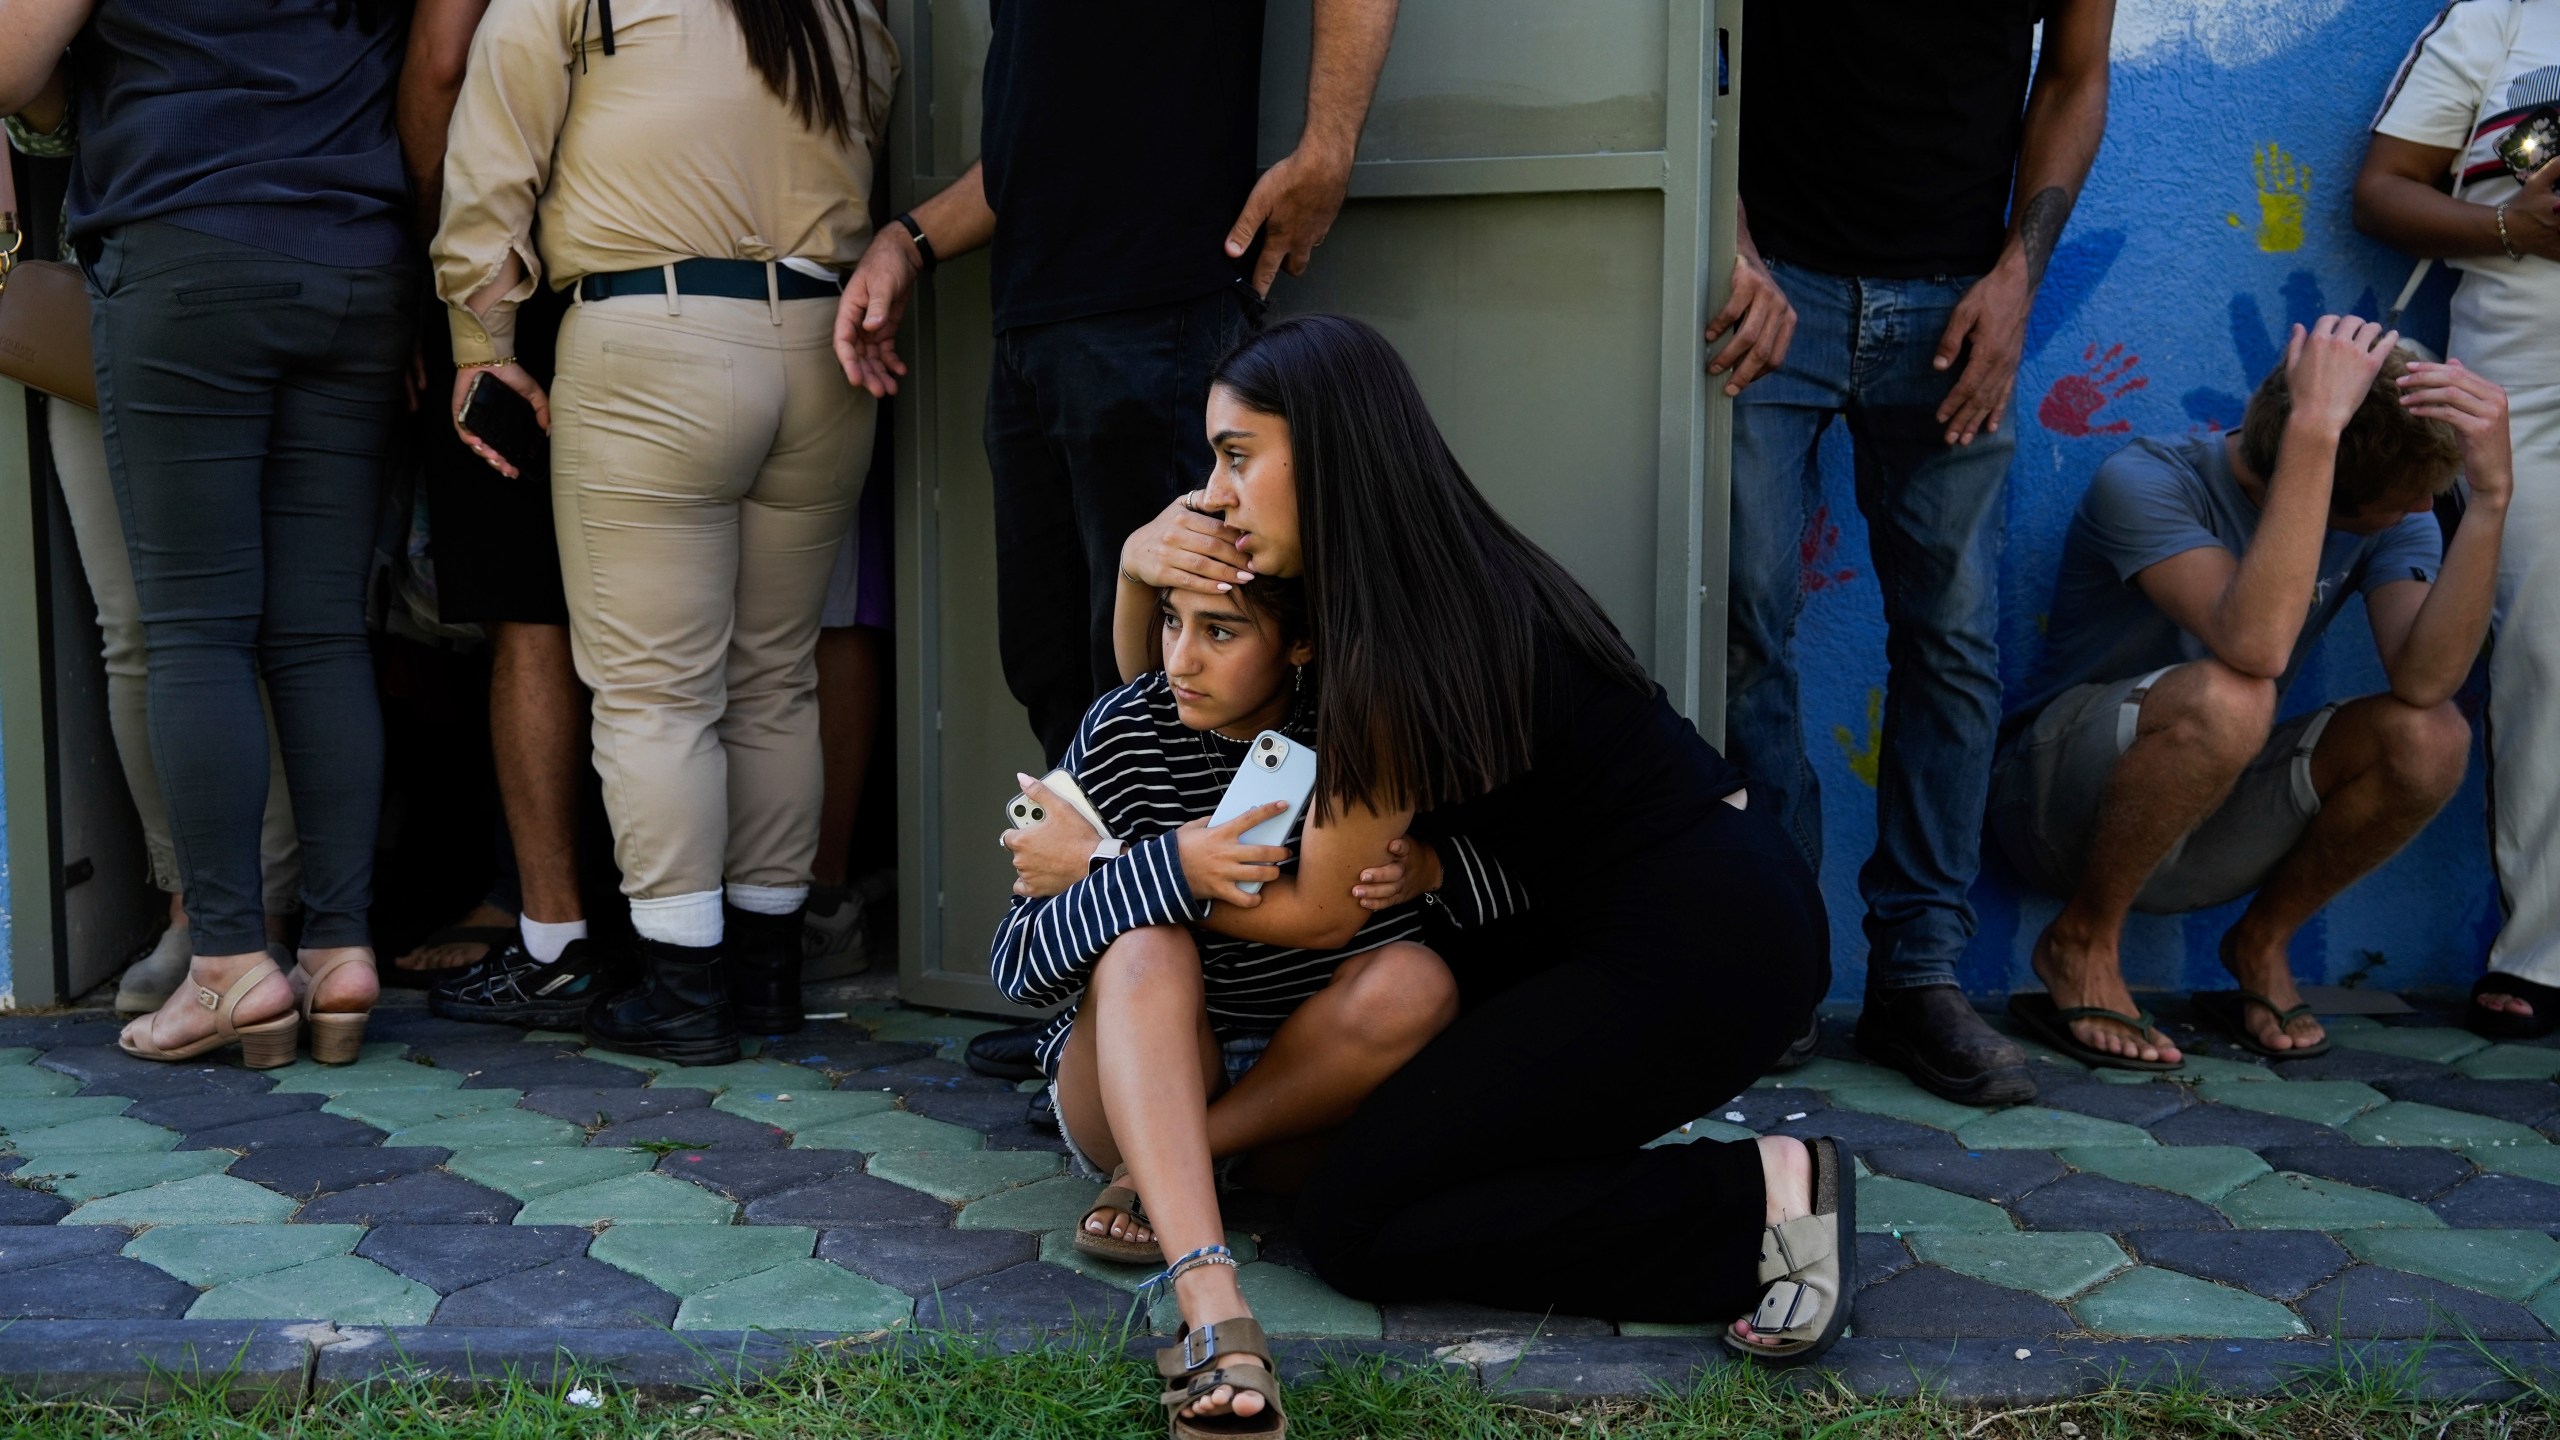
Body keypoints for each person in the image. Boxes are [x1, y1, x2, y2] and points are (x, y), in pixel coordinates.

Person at [1121, 316, 1844, 1374]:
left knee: (1352, 1224)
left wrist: (1118, 879)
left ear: (1327, 451)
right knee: (1366, 1142)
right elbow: (1155, 704)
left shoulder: (1398, 647)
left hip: (1703, 951)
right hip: (1613, 919)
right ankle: (1208, 1151)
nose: (1214, 493)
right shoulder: (1421, 580)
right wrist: (1142, 573)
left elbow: (1319, 911)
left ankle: (1764, 1194)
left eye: (1236, 457)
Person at [830, 0, 1401, 1086]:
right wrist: (906, 242)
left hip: (1157, 312)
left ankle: (1193, 1028)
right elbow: (1033, 157)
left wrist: (1327, 150)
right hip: (1033, 329)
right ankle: (1106, 997)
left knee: (1201, 680)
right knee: (1061, 673)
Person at [433, 0, 897, 1063]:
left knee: (655, 689)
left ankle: (682, 994)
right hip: (819, 349)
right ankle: (768, 979)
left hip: (653, 338)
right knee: (774, 675)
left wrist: (479, 339)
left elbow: (491, 155)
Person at [990, 577, 1523, 1416]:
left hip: (1300, 1102)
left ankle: (1176, 1161)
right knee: (1145, 948)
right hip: (1128, 1090)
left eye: (1222, 632)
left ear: (1300, 644)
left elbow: (1519, 895)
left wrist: (1436, 869)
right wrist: (1164, 869)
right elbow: (1019, 967)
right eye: (1171, 622)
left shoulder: (1366, 729)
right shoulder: (1126, 729)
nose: (1180, 659)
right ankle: (1207, 1289)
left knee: (1417, 982)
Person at [1712, 0, 2115, 1105]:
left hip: (1958, 300)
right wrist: (1721, 234)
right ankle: (1779, 959)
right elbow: (1678, 40)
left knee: (1951, 640)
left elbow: (2074, 76)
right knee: (1741, 627)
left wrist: (2016, 282)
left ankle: (1917, 979)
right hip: (1767, 290)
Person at [4, 0, 409, 1068]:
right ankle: (339, 949)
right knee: (323, 632)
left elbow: (8, 65)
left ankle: (228, 966)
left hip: (188, 254)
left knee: (196, 631)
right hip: (360, 263)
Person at [1992, 318, 2503, 1066]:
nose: (2421, 514)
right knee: (2237, 693)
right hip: (2054, 806)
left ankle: (2262, 941)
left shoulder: (2391, 519)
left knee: (2432, 737)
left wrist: (2491, 498)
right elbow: (2256, 646)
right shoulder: (2148, 479)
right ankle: (2083, 938)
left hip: (2210, 815)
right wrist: (2316, 436)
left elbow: (2426, 682)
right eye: (2401, 504)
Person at [7, 72, 303, 1017]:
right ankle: (198, 904)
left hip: (284, 277)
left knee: (287, 629)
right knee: (135, 627)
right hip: (103, 292)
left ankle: (277, 909)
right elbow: (43, 107)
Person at [393, 0, 605, 1016]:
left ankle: (547, 923)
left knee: (528, 609)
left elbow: (441, 63)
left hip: (517, 272)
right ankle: (696, 927)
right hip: (672, 268)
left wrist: (442, 277)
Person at [2355, 0, 2560, 1038]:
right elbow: (2382, 190)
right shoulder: (2498, 18)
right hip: (2525, 394)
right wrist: (2509, 225)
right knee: (2541, 651)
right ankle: (2543, 954)